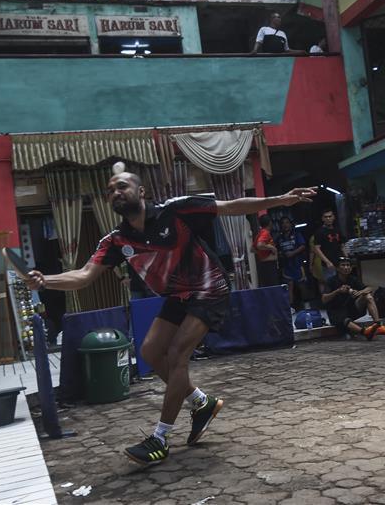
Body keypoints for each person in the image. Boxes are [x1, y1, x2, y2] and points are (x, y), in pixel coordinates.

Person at [25, 169, 316, 466]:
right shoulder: (116, 240)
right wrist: (46, 281)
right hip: (178, 295)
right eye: (110, 190)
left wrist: (280, 200)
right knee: (150, 351)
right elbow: (85, 275)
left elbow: (230, 206)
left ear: (141, 192)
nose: (115, 192)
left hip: (209, 287)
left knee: (177, 354)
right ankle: (201, 402)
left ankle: (160, 438)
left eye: (122, 186)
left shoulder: (175, 210)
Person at [322, 258, 385, 339]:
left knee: (368, 296)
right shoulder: (331, 281)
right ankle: (365, 332)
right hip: (336, 312)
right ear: (337, 268)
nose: (346, 267)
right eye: (343, 265)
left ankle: (378, 325)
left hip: (351, 309)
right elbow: (324, 299)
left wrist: (360, 292)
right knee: (344, 319)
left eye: (348, 265)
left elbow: (369, 288)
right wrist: (337, 291)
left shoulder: (353, 279)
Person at [277, 217, 306, 306]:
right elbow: (277, 250)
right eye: (283, 223)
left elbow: (303, 246)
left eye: (287, 222)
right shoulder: (279, 238)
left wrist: (293, 253)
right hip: (286, 265)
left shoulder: (297, 234)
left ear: (290, 224)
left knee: (301, 284)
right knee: (289, 286)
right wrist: (281, 254)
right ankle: (291, 306)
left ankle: (305, 304)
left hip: (297, 264)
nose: (285, 225)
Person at [313, 209, 346, 289]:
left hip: (340, 262)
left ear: (333, 217)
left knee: (343, 285)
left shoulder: (337, 229)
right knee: (331, 286)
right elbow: (316, 249)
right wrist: (327, 262)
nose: (328, 218)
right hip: (328, 265)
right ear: (322, 218)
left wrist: (346, 258)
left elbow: (342, 246)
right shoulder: (319, 232)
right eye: (326, 217)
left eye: (330, 216)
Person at [254, 214, 280, 287]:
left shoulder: (259, 234)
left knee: (268, 288)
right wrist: (272, 248)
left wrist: (262, 256)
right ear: (270, 223)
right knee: (273, 288)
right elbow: (259, 245)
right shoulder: (265, 233)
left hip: (264, 266)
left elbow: (253, 249)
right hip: (269, 266)